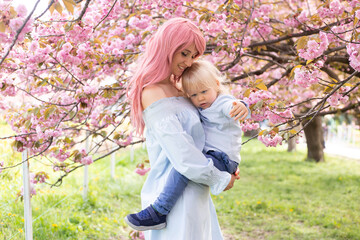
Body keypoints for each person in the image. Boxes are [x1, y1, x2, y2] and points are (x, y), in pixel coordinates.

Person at [126, 17, 247, 240]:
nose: (189, 62)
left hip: (195, 187)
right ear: (167, 47)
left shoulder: (180, 88)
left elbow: (208, 125)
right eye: (184, 53)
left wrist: (224, 162)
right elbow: (182, 154)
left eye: (193, 56)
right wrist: (219, 178)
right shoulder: (153, 92)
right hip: (174, 197)